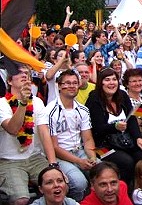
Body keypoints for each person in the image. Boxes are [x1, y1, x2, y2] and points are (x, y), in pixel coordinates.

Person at [0, 61, 60, 205]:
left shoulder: (38, 102)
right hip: (9, 161)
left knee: (60, 186)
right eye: (19, 73)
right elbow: (13, 129)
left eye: (27, 73)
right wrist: (22, 103)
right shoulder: (1, 103)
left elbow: (44, 132)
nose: (24, 76)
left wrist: (53, 164)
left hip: (35, 158)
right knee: (21, 200)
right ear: (9, 81)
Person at [86, 68, 142, 186]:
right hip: (102, 145)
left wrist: (138, 137)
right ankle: (124, 192)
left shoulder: (122, 95)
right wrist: (115, 127)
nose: (111, 83)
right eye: (107, 80)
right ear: (101, 82)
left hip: (126, 140)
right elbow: (96, 129)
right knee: (126, 162)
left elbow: (131, 119)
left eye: (114, 79)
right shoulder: (94, 98)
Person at [46, 69, 96, 201]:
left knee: (101, 171)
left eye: (75, 83)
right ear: (59, 86)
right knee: (79, 183)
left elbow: (88, 139)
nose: (72, 86)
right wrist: (79, 162)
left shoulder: (83, 110)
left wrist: (92, 157)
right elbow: (54, 147)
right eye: (67, 83)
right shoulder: (50, 111)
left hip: (80, 151)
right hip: (61, 155)